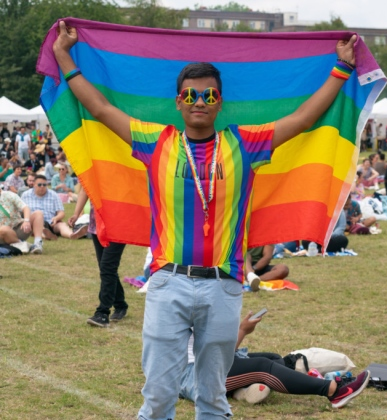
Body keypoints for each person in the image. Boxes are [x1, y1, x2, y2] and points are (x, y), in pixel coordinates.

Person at [53, 20, 357, 419]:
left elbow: (302, 119)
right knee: (159, 396)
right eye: (190, 94)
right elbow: (100, 107)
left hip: (222, 287)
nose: (200, 100)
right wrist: (63, 55)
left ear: (219, 101)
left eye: (208, 94)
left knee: (212, 398)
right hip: (167, 282)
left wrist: (342, 69)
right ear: (178, 101)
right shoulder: (155, 141)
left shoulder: (244, 143)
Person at [180, 311, 371, 409]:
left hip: (202, 365)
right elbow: (220, 356)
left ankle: (239, 391)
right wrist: (243, 330)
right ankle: (334, 391)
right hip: (195, 377)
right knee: (264, 367)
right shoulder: (190, 303)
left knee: (271, 358)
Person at [69, 189, 128, 328]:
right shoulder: (94, 168)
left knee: (107, 267)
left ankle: (102, 312)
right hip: (97, 223)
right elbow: (86, 188)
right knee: (106, 267)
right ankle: (120, 304)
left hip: (118, 223)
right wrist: (76, 213)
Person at [21, 174, 73, 239]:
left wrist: (56, 218)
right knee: (37, 225)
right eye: (39, 185)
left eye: (44, 185)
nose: (42, 186)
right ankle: (46, 235)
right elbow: (21, 212)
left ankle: (71, 235)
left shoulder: (53, 195)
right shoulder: (26, 195)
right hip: (35, 222)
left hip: (51, 222)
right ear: (34, 184)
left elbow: (61, 212)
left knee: (62, 225)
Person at [0, 188, 45, 254]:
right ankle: (25, 245)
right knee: (4, 229)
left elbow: (25, 208)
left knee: (38, 214)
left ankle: (38, 243)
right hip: (3, 234)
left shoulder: (9, 195)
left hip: (19, 228)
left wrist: (26, 221)